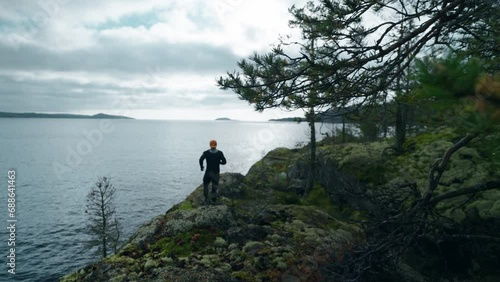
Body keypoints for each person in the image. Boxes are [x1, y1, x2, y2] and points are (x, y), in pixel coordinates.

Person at [199, 140, 226, 205]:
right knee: (214, 187)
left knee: (206, 186)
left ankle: (205, 199)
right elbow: (224, 162)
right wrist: (219, 162)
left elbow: (201, 159)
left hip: (208, 172)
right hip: (215, 173)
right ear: (216, 145)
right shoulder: (220, 153)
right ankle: (213, 201)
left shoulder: (206, 152)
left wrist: (202, 167)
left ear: (210, 145)